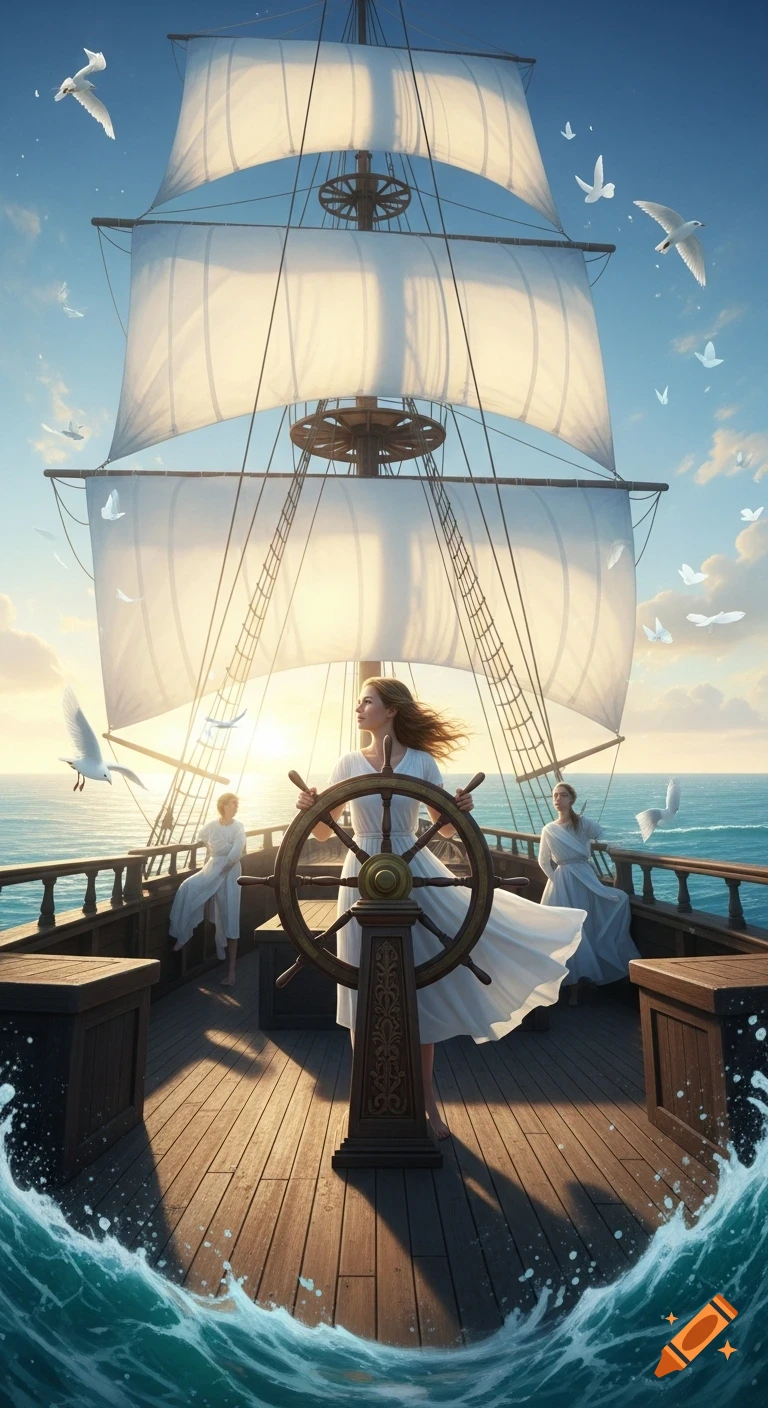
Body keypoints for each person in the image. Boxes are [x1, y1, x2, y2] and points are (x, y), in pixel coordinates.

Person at [296, 678, 585, 1141]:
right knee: (361, 989)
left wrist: (459, 809)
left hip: (411, 872)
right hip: (362, 877)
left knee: (418, 990)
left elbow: (446, 832)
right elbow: (326, 834)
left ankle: (427, 1105)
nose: (359, 707)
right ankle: (366, 1100)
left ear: (390, 710)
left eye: (366, 701)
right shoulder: (347, 763)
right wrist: (310, 808)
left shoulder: (423, 762)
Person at [538, 782, 640, 1006]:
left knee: (592, 920)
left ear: (571, 799)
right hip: (564, 881)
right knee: (569, 929)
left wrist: (616, 848)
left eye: (563, 795)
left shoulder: (582, 824)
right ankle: (573, 985)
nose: (558, 799)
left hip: (585, 878)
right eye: (555, 795)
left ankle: (588, 978)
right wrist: (558, 881)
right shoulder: (549, 829)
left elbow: (606, 836)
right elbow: (543, 861)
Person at [169, 792, 246, 987]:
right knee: (188, 888)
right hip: (213, 868)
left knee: (230, 917)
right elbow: (202, 836)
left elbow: (237, 851)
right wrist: (213, 853)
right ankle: (184, 932)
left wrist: (225, 866)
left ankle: (232, 973)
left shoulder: (239, 827)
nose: (236, 806)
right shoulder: (212, 826)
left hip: (230, 873)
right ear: (223, 805)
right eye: (233, 803)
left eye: (237, 803)